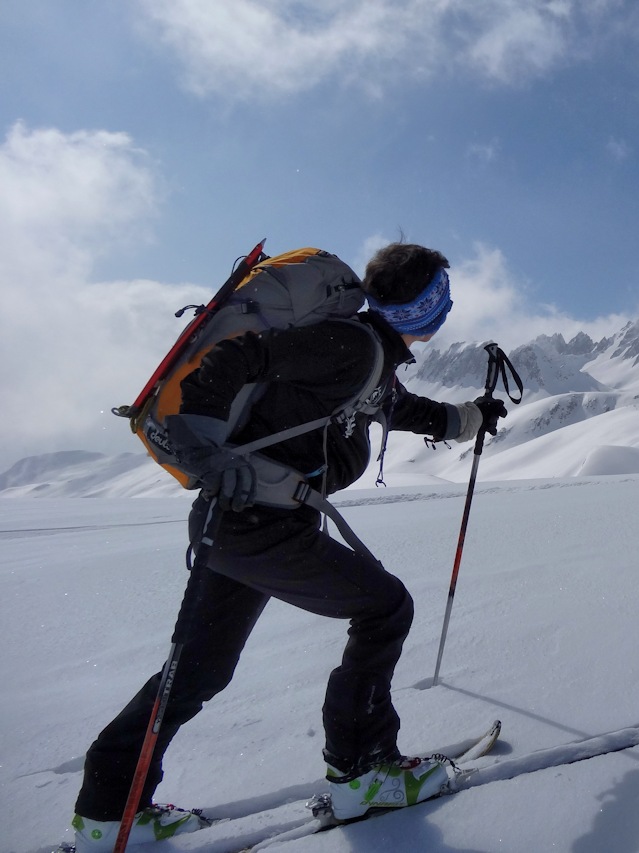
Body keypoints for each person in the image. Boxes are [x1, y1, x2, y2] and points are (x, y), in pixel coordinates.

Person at [70, 243, 507, 850]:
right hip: (261, 525)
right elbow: (241, 356)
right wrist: (200, 445)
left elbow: (395, 407)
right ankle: (363, 770)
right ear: (424, 308)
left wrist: (467, 418)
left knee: (195, 672)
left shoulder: (367, 353)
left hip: (233, 523)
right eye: (440, 296)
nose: (447, 306)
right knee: (384, 608)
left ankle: (107, 810)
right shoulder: (352, 346)